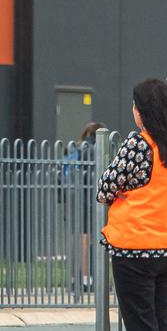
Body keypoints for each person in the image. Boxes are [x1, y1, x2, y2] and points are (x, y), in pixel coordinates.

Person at [97, 78, 167, 331]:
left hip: (134, 247)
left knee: (141, 326)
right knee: (161, 321)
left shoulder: (139, 144)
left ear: (143, 111)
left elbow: (105, 189)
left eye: (135, 106)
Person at [62, 122, 106, 291]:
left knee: (76, 238)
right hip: (88, 200)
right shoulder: (95, 149)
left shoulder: (75, 149)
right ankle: (88, 279)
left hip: (71, 200)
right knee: (89, 240)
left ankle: (74, 278)